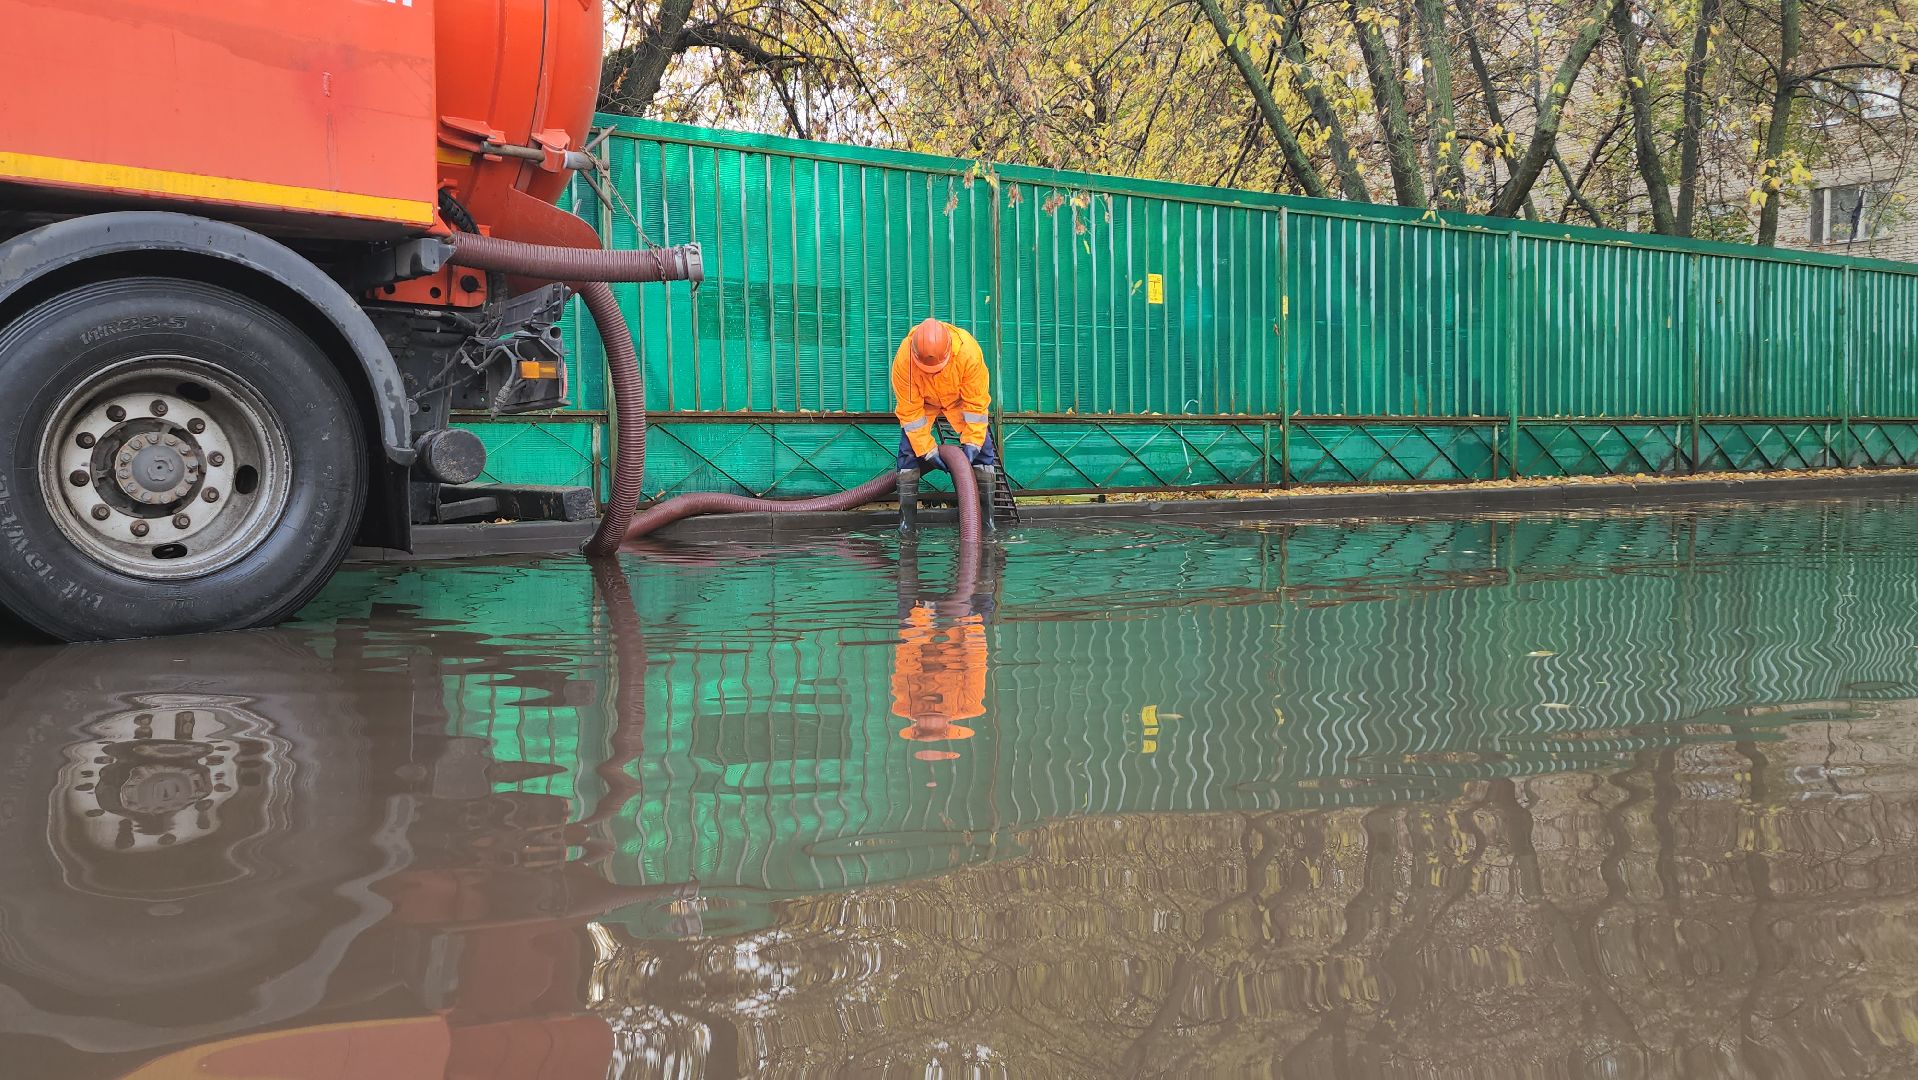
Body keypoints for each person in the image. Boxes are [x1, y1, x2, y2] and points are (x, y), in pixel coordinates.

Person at [891, 317, 997, 533]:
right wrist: (927, 452)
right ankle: (906, 526)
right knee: (908, 454)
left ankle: (986, 523)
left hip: (958, 401)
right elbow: (910, 413)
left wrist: (972, 444)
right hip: (925, 403)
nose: (933, 373)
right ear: (915, 354)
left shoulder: (968, 352)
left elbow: (976, 405)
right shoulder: (904, 360)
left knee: (984, 453)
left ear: (949, 352)